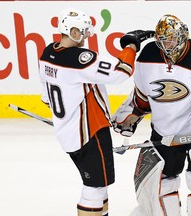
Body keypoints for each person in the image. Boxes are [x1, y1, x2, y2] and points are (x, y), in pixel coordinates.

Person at [112, 14, 191, 215]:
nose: (167, 44)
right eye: (162, 39)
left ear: (183, 36)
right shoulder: (147, 57)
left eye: (171, 38)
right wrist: (132, 114)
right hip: (163, 133)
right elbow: (143, 95)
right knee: (162, 186)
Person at [39, 8, 154, 216]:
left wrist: (67, 119)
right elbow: (121, 73)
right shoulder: (80, 58)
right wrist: (131, 46)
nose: (85, 36)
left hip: (68, 133)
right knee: (94, 189)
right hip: (90, 134)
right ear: (73, 32)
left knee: (99, 187)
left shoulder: (48, 53)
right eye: (83, 32)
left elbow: (47, 98)